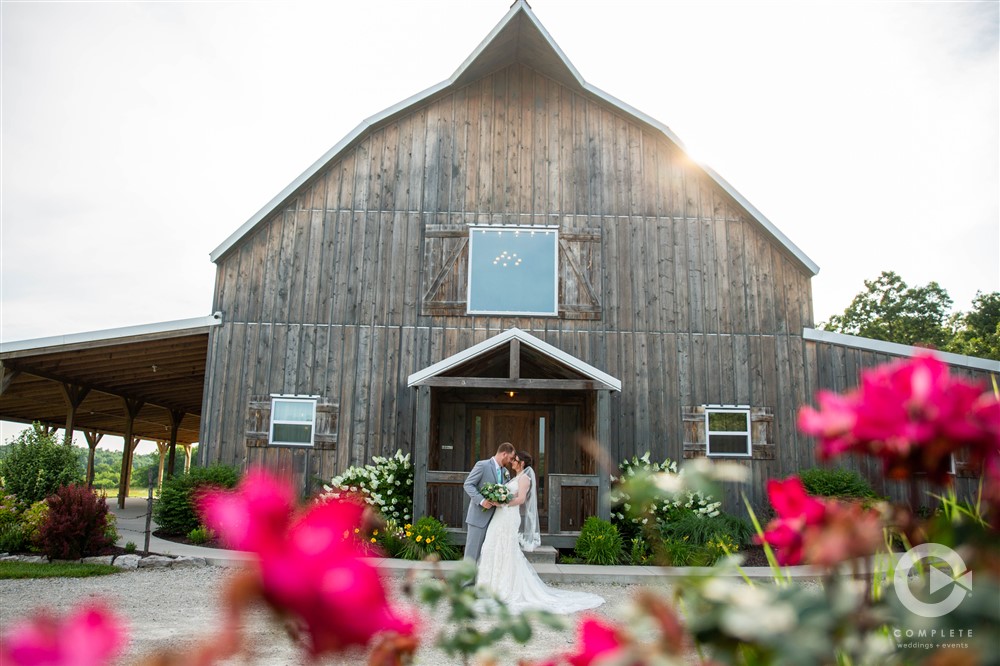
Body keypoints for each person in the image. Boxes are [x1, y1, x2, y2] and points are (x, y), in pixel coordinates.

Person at [476, 451, 605, 614]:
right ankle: (488, 585)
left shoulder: (524, 479)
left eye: (514, 460)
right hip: (500, 516)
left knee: (506, 549)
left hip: (508, 516)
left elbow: (521, 499)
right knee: (491, 546)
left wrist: (501, 502)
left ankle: (505, 587)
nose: (512, 462)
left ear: (522, 463)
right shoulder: (513, 477)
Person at [463, 442, 515, 562]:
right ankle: (467, 581)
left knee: (488, 555)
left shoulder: (505, 472)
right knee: (472, 553)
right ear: (504, 454)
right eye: (510, 458)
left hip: (496, 519)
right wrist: (482, 501)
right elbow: (468, 484)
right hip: (479, 517)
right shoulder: (482, 465)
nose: (511, 461)